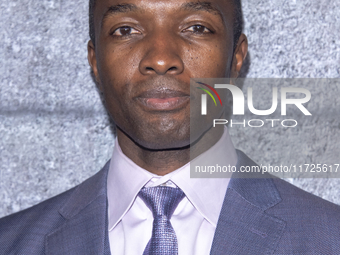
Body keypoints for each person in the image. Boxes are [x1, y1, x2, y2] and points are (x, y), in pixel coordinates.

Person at [1, 0, 340, 254]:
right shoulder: (12, 243)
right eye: (126, 29)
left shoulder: (329, 238)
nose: (161, 58)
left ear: (236, 57)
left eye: (196, 27)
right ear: (95, 61)